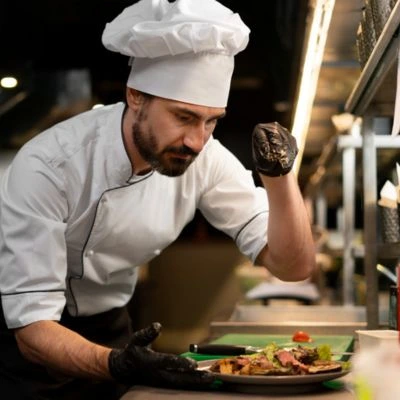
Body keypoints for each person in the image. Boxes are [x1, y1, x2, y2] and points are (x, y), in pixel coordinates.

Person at [0, 0, 315, 399]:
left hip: (110, 326)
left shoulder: (206, 158)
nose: (196, 141)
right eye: (184, 117)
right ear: (136, 96)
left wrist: (280, 177)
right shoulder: (49, 165)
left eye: (211, 121)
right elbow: (32, 329)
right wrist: (116, 364)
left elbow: (293, 265)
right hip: (28, 342)